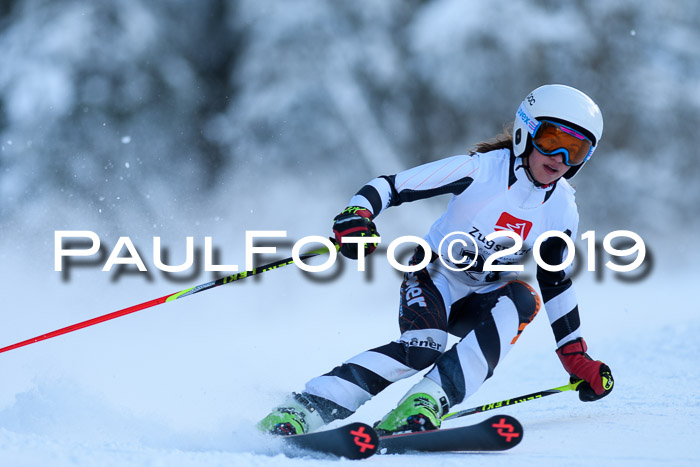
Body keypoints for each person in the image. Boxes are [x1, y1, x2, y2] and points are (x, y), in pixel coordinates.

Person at [258, 84, 614, 436]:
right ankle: (305, 407)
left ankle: (426, 402)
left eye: (576, 149)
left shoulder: (562, 209)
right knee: (423, 347)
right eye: (552, 140)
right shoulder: (481, 170)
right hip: (434, 275)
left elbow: (556, 281)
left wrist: (574, 355)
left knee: (524, 297)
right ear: (525, 132)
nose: (560, 158)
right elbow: (390, 186)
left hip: (483, 294)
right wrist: (358, 215)